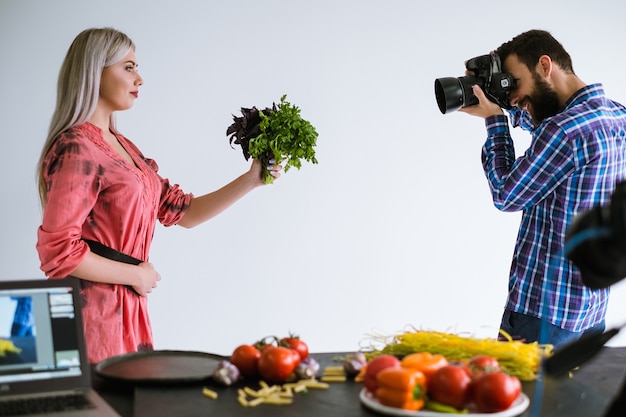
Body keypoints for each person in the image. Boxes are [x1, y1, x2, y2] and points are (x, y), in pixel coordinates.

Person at [36, 27, 282, 363]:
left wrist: (252, 178)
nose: (140, 79)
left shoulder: (126, 149)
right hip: (91, 317)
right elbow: (58, 253)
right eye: (128, 67)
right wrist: (136, 274)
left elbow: (185, 212)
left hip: (129, 311)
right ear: (95, 71)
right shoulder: (76, 147)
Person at [460, 29, 626, 348]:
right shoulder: (616, 117)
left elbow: (507, 195)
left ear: (544, 66)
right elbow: (550, 131)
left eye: (515, 82)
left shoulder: (562, 131)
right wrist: (501, 102)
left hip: (541, 315)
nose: (512, 97)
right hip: (588, 313)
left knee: (520, 397)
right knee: (568, 399)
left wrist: (495, 121)